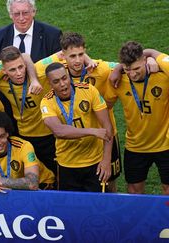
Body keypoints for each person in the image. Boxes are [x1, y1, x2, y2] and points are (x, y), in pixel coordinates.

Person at [35, 32, 121, 191]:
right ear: (62, 56)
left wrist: (119, 68)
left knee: (109, 184)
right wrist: (33, 80)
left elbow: (126, 64)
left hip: (104, 136)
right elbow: (30, 66)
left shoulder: (97, 69)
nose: (78, 60)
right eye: (72, 56)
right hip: (75, 150)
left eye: (81, 55)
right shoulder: (57, 74)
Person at [103, 42, 169, 195]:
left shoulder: (162, 75)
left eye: (136, 68)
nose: (132, 74)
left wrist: (152, 53)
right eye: (127, 69)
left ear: (145, 61)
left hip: (165, 144)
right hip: (135, 146)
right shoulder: (118, 80)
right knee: (134, 191)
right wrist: (118, 70)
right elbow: (105, 106)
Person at [40, 62, 113, 192]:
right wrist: (92, 132)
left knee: (98, 208)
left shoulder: (88, 90)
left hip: (95, 162)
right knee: (71, 209)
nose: (62, 84)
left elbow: (107, 127)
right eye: (56, 81)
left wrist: (106, 160)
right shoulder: (47, 102)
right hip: (67, 164)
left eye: (64, 78)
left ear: (68, 76)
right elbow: (59, 131)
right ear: (50, 84)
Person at [0, 46, 57, 175]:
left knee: (56, 172)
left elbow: (65, 52)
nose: (19, 73)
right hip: (24, 137)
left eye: (21, 67)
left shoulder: (40, 70)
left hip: (49, 135)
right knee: (31, 174)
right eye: (12, 70)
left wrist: (34, 79)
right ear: (3, 71)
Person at [0, 0, 61, 64]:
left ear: (33, 12)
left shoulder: (52, 34)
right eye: (16, 14)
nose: (21, 18)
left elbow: (60, 64)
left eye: (25, 13)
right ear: (10, 15)